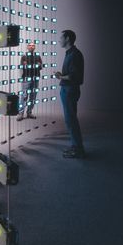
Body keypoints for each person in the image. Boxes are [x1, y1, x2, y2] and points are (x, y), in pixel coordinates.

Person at [55, 30, 85, 158]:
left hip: (69, 90)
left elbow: (74, 76)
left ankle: (78, 149)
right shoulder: (71, 53)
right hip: (68, 89)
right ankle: (75, 146)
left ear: (67, 38)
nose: (59, 40)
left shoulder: (74, 55)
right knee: (70, 119)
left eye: (61, 38)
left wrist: (61, 76)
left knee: (71, 120)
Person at [17, 42, 42, 121]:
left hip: (35, 79)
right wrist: (35, 65)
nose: (31, 46)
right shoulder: (24, 56)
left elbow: (41, 66)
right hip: (26, 79)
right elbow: (22, 66)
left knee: (33, 96)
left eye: (33, 45)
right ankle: (21, 113)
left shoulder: (38, 56)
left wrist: (38, 65)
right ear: (27, 47)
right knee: (24, 96)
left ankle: (29, 112)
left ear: (34, 47)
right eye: (30, 45)